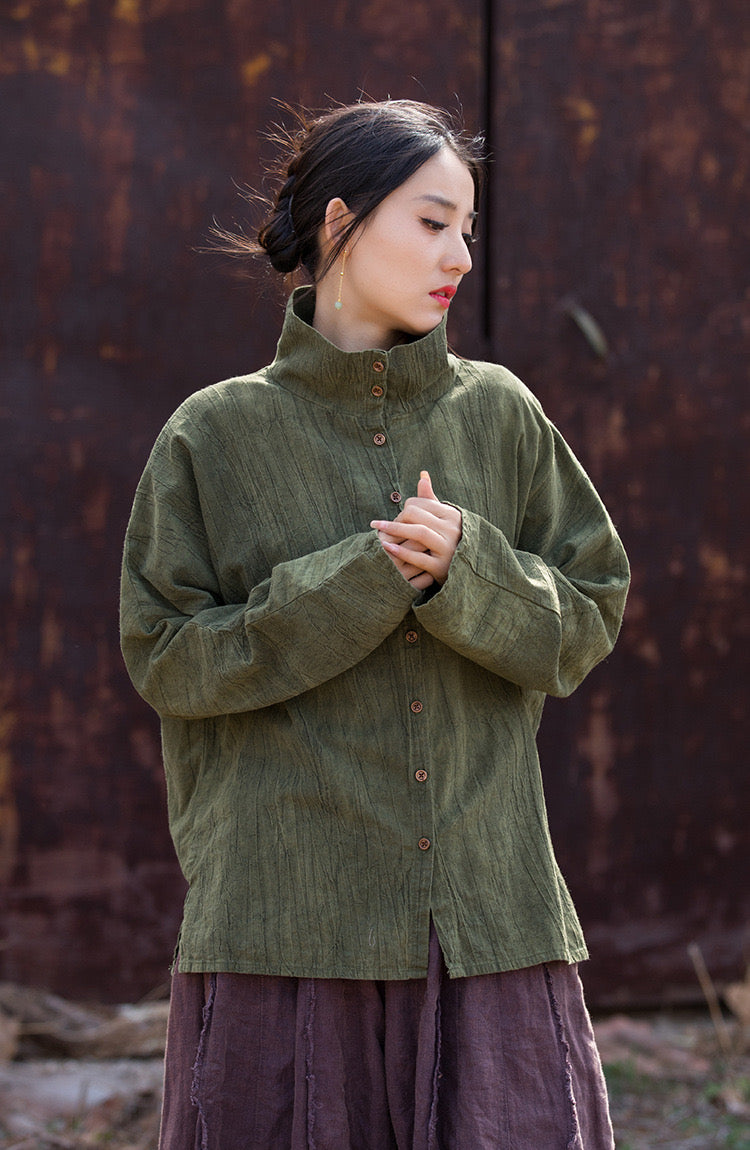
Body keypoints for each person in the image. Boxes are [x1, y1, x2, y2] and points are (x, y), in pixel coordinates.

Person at [120, 99, 630, 1149]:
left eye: (468, 229)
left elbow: (589, 612)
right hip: (284, 926)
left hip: (487, 919)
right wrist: (356, 581)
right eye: (434, 222)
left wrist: (468, 569)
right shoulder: (214, 434)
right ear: (341, 222)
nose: (461, 256)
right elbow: (166, 658)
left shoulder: (501, 412)